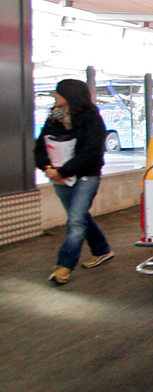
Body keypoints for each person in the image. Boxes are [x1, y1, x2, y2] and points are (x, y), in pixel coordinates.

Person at [35, 79, 113, 285]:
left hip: (86, 176)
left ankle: (64, 266)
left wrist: (63, 171)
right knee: (78, 216)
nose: (54, 96)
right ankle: (102, 250)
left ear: (69, 95)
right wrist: (47, 168)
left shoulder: (91, 119)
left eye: (58, 93)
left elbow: (92, 153)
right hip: (59, 176)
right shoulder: (55, 117)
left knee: (76, 221)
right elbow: (40, 145)